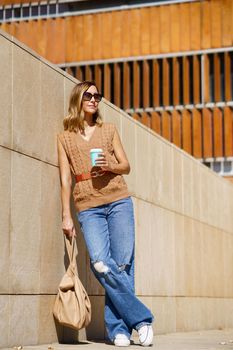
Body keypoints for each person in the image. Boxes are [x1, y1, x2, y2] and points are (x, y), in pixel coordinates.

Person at [57, 81, 154, 347]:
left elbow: (126, 166)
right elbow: (65, 179)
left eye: (97, 96)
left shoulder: (108, 130)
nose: (93, 99)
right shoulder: (64, 137)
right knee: (100, 262)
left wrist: (109, 165)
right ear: (78, 98)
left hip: (118, 199)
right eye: (88, 95)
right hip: (88, 205)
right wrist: (66, 215)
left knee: (122, 265)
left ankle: (118, 329)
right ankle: (142, 320)